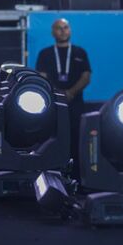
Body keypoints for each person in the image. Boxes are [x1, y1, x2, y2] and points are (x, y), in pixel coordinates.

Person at [34, 18, 92, 174]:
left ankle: (77, 175)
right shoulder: (45, 53)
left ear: (70, 30)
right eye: (59, 28)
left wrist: (71, 92)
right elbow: (42, 77)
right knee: (53, 137)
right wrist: (59, 94)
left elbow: (86, 77)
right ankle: (52, 172)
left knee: (77, 138)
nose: (63, 31)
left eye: (65, 27)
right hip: (53, 104)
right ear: (53, 32)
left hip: (75, 104)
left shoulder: (80, 52)